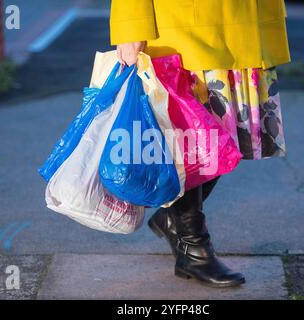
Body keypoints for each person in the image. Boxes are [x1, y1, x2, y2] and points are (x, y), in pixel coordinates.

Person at [110, 0, 290, 288]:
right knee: (194, 145)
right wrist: (130, 25)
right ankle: (193, 246)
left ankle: (174, 218)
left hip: (244, 29)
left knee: (227, 144)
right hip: (186, 33)